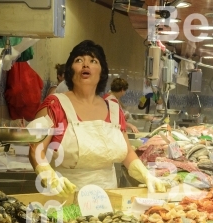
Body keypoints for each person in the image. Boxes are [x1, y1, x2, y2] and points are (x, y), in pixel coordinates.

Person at [28, 40, 165, 194]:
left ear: (102, 72)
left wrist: (146, 175)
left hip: (109, 201)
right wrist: (49, 176)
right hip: (64, 197)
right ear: (70, 71)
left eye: (93, 61)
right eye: (79, 60)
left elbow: (127, 152)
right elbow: (35, 149)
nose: (85, 65)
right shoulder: (55, 105)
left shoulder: (113, 109)